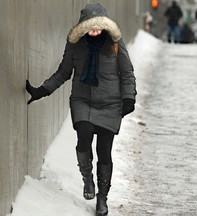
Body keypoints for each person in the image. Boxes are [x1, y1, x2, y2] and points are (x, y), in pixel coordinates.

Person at [26, 3, 136, 216]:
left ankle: (102, 199)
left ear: (105, 27)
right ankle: (88, 180)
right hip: (82, 100)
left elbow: (127, 72)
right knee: (83, 135)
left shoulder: (115, 43)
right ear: (83, 27)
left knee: (104, 151)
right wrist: (43, 90)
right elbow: (63, 72)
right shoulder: (76, 44)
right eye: (90, 28)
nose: (94, 32)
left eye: (98, 27)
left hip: (110, 103)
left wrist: (129, 97)